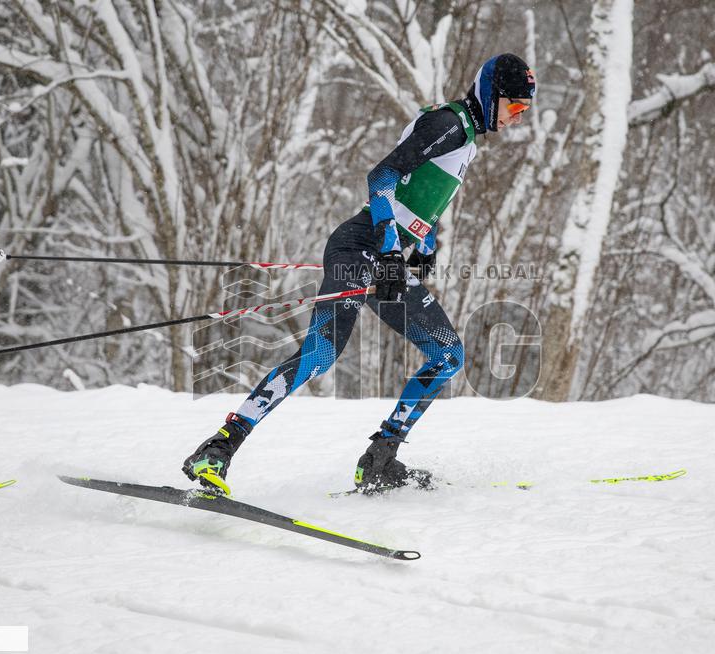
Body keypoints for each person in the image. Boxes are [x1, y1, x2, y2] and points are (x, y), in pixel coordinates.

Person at [183, 53, 536, 495]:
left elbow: (419, 195)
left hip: (383, 257)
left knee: (448, 355)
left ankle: (381, 458)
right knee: (318, 356)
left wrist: (424, 245)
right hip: (360, 246)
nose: (518, 118)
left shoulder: (465, 135)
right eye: (516, 107)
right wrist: (390, 248)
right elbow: (383, 175)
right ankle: (218, 448)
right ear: (491, 94)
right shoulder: (450, 123)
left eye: (524, 111)